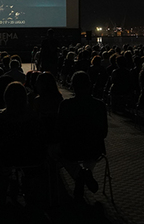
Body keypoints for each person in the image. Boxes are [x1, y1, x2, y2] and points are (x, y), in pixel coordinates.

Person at [55, 71, 108, 199]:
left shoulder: (65, 105)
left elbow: (60, 130)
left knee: (56, 152)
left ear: (73, 86)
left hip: (71, 149)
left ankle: (79, 174)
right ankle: (86, 172)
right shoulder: (100, 105)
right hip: (94, 149)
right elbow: (104, 132)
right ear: (89, 85)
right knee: (90, 155)